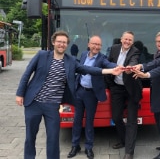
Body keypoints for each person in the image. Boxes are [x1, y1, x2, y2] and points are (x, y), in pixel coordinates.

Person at [15, 30, 122, 159]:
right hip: (34, 103)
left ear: (67, 45)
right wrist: (20, 93)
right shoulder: (42, 55)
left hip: (52, 106)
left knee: (54, 138)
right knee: (30, 136)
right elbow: (27, 74)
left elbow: (88, 69)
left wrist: (111, 70)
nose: (61, 44)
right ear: (53, 42)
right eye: (59, 41)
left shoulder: (70, 61)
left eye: (64, 42)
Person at [67, 35, 117, 159]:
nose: (96, 47)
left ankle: (88, 147)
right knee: (77, 120)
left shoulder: (102, 58)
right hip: (79, 92)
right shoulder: (83, 54)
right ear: (89, 44)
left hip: (91, 94)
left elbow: (109, 64)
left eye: (99, 45)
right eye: (94, 44)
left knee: (89, 121)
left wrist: (118, 67)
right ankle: (75, 145)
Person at [133, 31, 160, 159]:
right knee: (159, 120)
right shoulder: (159, 53)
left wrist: (143, 68)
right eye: (158, 41)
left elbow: (157, 65)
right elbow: (155, 63)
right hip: (158, 92)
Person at [105, 31, 142, 159]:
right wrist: (110, 83)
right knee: (116, 117)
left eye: (130, 40)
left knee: (132, 120)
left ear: (132, 42)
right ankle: (124, 140)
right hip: (117, 88)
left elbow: (134, 60)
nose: (127, 42)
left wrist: (129, 68)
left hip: (131, 89)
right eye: (125, 39)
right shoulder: (114, 49)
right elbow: (108, 62)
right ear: (121, 39)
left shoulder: (135, 51)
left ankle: (129, 152)